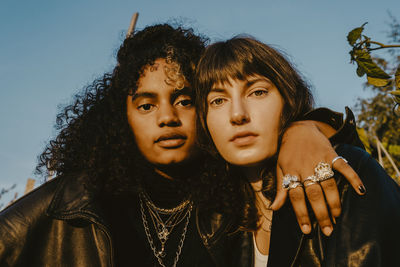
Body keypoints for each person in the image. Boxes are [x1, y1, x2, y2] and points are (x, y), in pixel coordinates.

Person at [0, 23, 364, 267]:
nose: (167, 117)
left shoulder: (234, 187)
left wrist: (305, 129)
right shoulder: (76, 202)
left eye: (185, 100)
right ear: (119, 119)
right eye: (146, 105)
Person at [195, 36, 400, 266]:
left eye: (257, 92)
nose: (237, 114)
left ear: (288, 99)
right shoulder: (216, 214)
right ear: (204, 120)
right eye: (218, 100)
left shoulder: (347, 175)